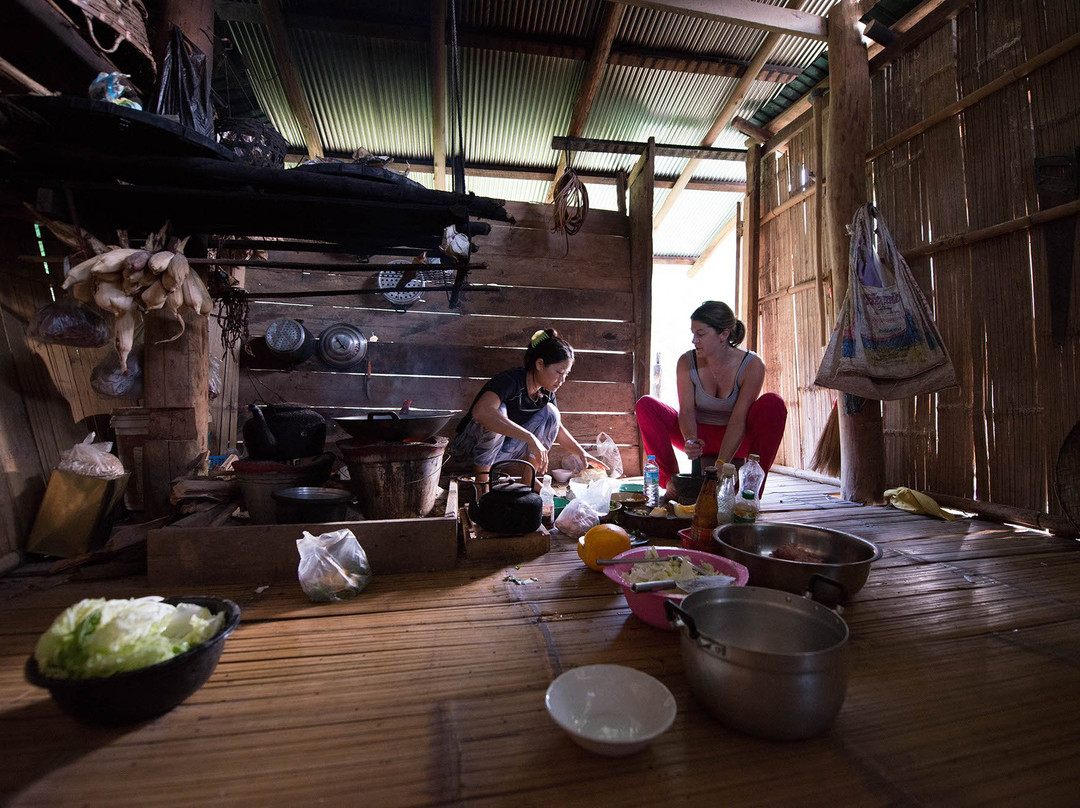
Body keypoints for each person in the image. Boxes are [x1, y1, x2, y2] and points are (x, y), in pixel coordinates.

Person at [635, 301, 787, 499]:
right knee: (646, 405)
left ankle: (748, 492)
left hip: (737, 437)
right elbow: (687, 410)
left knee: (773, 404)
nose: (693, 340)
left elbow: (739, 419)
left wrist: (722, 465)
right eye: (693, 333)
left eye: (701, 334)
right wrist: (690, 439)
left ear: (724, 335)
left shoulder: (752, 364)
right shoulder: (686, 362)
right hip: (700, 436)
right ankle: (672, 483)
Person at [452, 328, 604, 482]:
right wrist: (530, 437)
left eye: (566, 374)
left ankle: (528, 481)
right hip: (468, 452)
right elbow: (481, 412)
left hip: (500, 456)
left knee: (552, 414)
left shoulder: (546, 393)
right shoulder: (510, 380)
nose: (562, 379)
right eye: (559, 372)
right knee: (498, 410)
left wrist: (580, 452)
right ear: (539, 364)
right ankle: (482, 485)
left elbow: (557, 429)